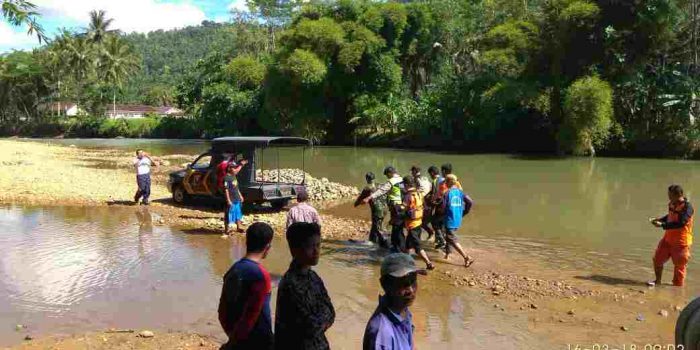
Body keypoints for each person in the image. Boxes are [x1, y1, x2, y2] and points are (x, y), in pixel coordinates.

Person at [275, 222, 335, 350]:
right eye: (310, 246)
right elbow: (311, 326)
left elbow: (331, 312)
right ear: (294, 250)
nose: (316, 251)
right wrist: (324, 318)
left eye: (318, 245)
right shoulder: (290, 284)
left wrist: (322, 319)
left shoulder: (314, 277)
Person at [218, 222, 274, 350]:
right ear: (268, 247)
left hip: (237, 335)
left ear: (246, 242)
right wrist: (233, 342)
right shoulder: (261, 275)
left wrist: (231, 335)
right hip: (257, 340)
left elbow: (222, 310)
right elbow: (251, 314)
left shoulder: (233, 270)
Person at [363, 253, 422, 350]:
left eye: (413, 281)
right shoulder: (382, 335)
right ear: (385, 285)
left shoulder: (402, 309)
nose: (411, 290)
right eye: (403, 284)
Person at [648, 185, 694, 287]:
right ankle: (657, 281)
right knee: (657, 259)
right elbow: (670, 216)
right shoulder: (672, 204)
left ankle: (677, 293)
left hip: (681, 243)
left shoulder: (688, 207)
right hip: (667, 239)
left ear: (678, 195)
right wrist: (660, 220)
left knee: (679, 268)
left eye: (670, 195)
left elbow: (681, 222)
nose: (669, 198)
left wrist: (663, 225)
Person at [362, 166, 404, 252]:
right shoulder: (401, 179)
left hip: (393, 206)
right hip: (401, 206)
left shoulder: (390, 182)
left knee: (382, 226)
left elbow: (381, 191)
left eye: (387, 175)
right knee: (398, 226)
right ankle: (399, 245)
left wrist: (368, 198)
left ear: (390, 173)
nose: (387, 177)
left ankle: (386, 245)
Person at [401, 176, 435, 270]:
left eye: (404, 184)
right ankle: (405, 262)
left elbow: (403, 208)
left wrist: (398, 207)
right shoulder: (419, 193)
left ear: (407, 185)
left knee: (418, 247)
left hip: (412, 224)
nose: (403, 186)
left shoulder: (408, 196)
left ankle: (429, 263)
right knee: (408, 245)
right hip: (418, 222)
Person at [442, 174, 476, 267]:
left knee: (451, 239)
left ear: (448, 182)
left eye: (446, 182)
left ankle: (466, 257)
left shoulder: (447, 193)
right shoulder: (460, 192)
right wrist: (465, 211)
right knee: (449, 237)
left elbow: (443, 208)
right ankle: (447, 254)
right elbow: (470, 202)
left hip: (449, 219)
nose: (445, 183)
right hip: (458, 218)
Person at [355, 172, 389, 248]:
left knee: (377, 227)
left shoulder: (367, 188)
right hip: (385, 209)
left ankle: (384, 245)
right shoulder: (380, 185)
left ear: (366, 179)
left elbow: (360, 199)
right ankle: (373, 240)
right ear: (374, 178)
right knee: (376, 225)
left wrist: (356, 204)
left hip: (377, 210)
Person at [411, 166, 434, 241]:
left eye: (412, 172)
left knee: (419, 221)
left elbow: (417, 191)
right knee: (423, 221)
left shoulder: (416, 180)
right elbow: (430, 187)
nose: (411, 173)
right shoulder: (425, 178)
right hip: (429, 201)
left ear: (414, 172)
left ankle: (428, 234)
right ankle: (430, 234)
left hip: (423, 202)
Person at [427, 166, 446, 249]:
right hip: (445, 206)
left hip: (439, 205)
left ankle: (442, 240)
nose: (430, 176)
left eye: (430, 174)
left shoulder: (437, 181)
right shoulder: (442, 179)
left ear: (432, 173)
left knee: (434, 222)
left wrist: (433, 203)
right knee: (441, 225)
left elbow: (437, 194)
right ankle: (440, 241)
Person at [224, 163, 245, 236]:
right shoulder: (226, 178)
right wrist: (228, 200)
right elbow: (226, 190)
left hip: (237, 199)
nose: (235, 169)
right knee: (229, 214)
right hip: (231, 199)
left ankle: (239, 227)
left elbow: (236, 188)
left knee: (238, 213)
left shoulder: (234, 176)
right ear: (229, 168)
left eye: (235, 167)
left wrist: (240, 196)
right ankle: (227, 229)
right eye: (233, 168)